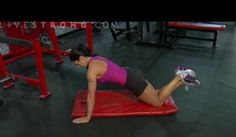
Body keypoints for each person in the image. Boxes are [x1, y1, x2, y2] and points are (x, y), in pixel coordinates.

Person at [69, 44, 200, 124]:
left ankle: (179, 76)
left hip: (132, 81)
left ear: (81, 58)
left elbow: (91, 96)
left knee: (158, 102)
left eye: (77, 64)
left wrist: (87, 117)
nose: (78, 67)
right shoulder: (96, 58)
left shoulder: (91, 71)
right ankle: (182, 82)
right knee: (156, 93)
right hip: (132, 73)